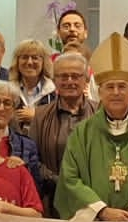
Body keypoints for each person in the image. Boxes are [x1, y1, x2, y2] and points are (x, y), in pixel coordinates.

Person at [56, 35, 128, 221]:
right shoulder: (82, 133)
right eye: (110, 87)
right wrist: (102, 211)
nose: (116, 92)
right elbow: (70, 178)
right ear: (99, 92)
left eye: (122, 86)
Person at [32, 51, 95, 203]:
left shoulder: (100, 113)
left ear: (86, 79)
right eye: (63, 76)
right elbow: (33, 158)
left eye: (75, 76)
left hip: (94, 199)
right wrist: (61, 183)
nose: (69, 81)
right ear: (54, 80)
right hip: (53, 197)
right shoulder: (40, 116)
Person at [10, 39, 55, 121]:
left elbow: (58, 122)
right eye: (24, 57)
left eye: (35, 58)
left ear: (43, 62)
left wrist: (36, 117)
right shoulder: (8, 90)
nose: (29, 62)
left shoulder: (54, 92)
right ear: (17, 61)